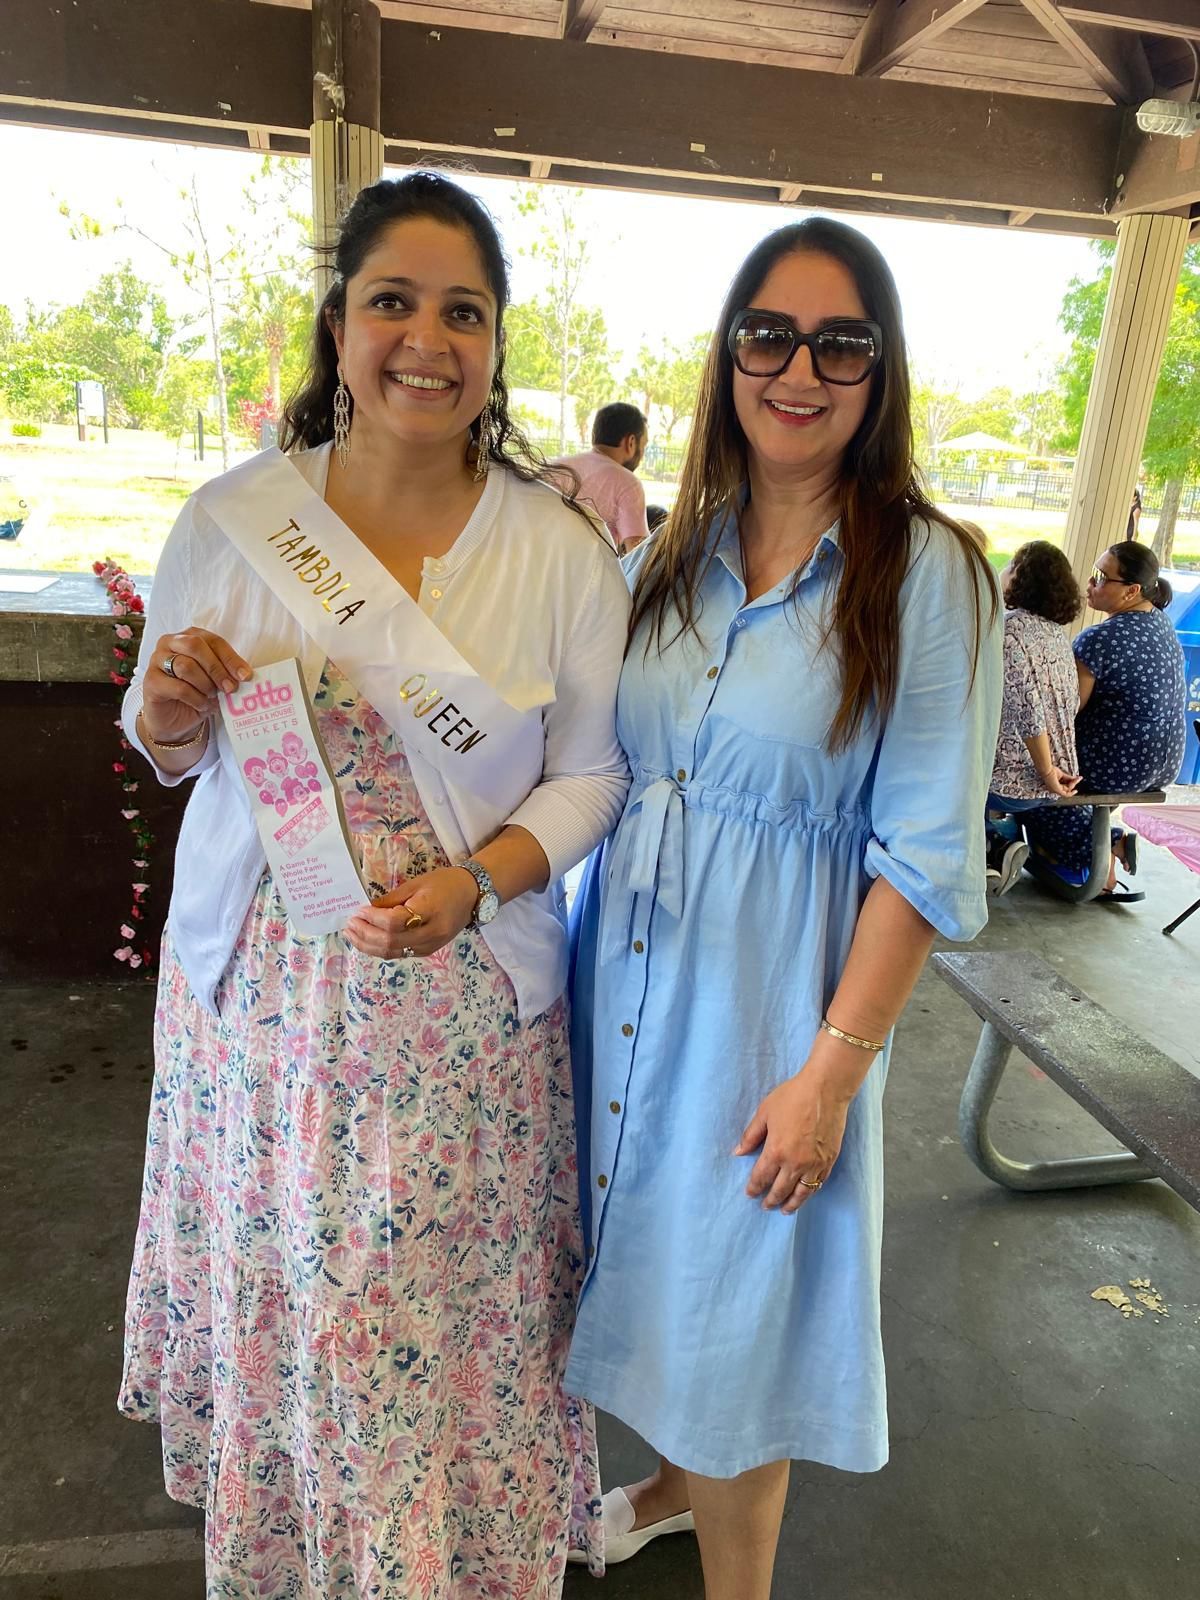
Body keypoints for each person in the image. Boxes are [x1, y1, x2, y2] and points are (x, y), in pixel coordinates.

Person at [117, 172, 630, 1598]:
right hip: (262, 1016)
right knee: (299, 1302)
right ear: (339, 326)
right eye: (392, 301)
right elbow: (164, 751)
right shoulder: (231, 521)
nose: (427, 338)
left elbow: (592, 777)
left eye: (463, 311)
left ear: (496, 344)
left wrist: (480, 883)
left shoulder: (559, 554)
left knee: (428, 1315)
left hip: (459, 1015)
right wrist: (170, 711)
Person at [565, 219, 1001, 1598]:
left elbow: (923, 855)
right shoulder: (665, 557)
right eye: (769, 333)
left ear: (882, 374)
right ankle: (677, 1486)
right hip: (619, 982)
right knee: (651, 1274)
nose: (798, 368)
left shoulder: (928, 575)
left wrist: (833, 1072)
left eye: (840, 342)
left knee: (737, 1313)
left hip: (769, 1011)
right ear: (727, 357)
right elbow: (593, 764)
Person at [1023, 540, 1186, 900]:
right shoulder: (1161, 624)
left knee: (1028, 780)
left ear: (1130, 591)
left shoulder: (1100, 638)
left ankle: (1101, 853)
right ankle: (1106, 846)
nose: (1090, 584)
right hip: (1165, 764)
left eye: (1100, 577)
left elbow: (1065, 712)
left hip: (1120, 766)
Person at [985, 540, 1081, 895]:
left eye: (1010, 565)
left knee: (950, 773)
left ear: (1021, 578)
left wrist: (1044, 770)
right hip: (1060, 776)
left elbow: (1029, 713)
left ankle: (990, 849)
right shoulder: (1057, 635)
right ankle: (999, 842)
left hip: (1018, 782)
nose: (1003, 571)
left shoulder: (1007, 632)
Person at [552, 401, 651, 552]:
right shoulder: (628, 483)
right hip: (588, 573)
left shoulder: (555, 467)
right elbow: (638, 553)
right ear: (631, 442)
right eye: (643, 446)